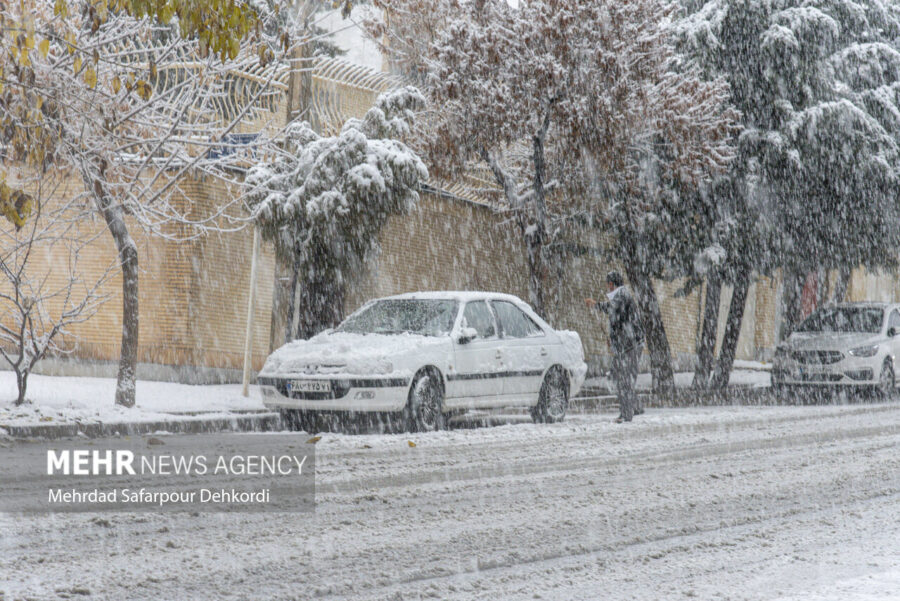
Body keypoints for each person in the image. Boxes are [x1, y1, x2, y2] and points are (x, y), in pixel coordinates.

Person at [585, 271, 645, 423]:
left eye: (608, 284)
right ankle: (636, 406)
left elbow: (612, 309)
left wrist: (596, 305)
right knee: (619, 375)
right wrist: (613, 341)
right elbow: (618, 322)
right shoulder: (621, 295)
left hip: (631, 344)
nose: (607, 287)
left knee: (624, 378)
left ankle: (627, 414)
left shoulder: (622, 295)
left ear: (611, 284)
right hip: (626, 344)